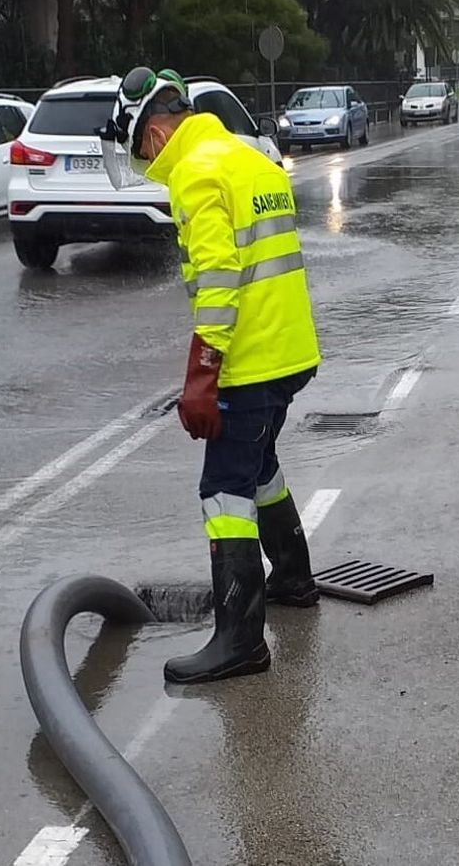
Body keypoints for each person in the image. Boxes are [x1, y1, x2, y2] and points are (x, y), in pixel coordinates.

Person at [106, 66, 322, 684]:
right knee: (261, 465)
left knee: (224, 489)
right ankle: (295, 577)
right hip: (290, 350)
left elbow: (221, 278)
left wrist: (201, 374)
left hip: (249, 360)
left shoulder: (197, 172)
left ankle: (240, 640)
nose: (145, 161)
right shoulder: (246, 156)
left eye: (139, 149)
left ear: (151, 134)